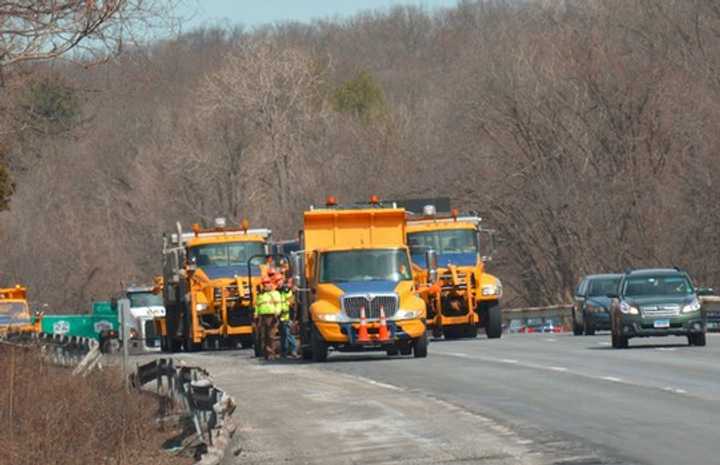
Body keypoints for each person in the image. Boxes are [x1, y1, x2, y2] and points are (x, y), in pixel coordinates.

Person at [255, 275, 281, 360]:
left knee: (271, 335)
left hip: (272, 316)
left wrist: (277, 313)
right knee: (264, 335)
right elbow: (257, 306)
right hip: (262, 317)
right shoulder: (261, 295)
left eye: (267, 283)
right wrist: (256, 314)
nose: (265, 285)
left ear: (271, 284)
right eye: (264, 283)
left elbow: (278, 304)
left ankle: (271, 354)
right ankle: (265, 353)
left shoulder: (275, 294)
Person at [276, 272, 298, 358]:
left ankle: (293, 351)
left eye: (279, 281)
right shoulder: (279, 291)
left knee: (289, 334)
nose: (278, 283)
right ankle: (284, 352)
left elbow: (291, 304)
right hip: (280, 317)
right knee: (283, 335)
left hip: (287, 316)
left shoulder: (287, 291)